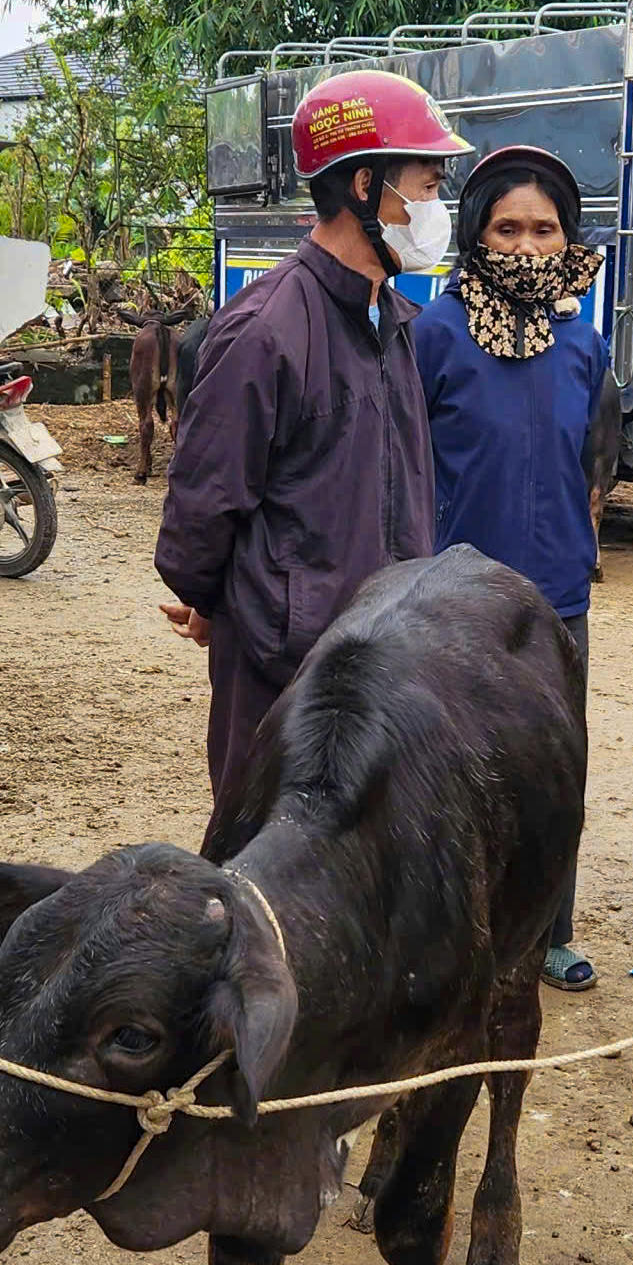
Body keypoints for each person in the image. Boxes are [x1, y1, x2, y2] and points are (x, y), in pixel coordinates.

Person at [155, 69, 471, 806]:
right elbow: (202, 508)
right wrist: (227, 603)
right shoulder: (265, 330)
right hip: (286, 668)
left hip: (384, 658)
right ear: (365, 186)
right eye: (426, 189)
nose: (436, 211)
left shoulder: (393, 321)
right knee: (267, 843)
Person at [413, 144, 618, 991]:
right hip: (452, 600)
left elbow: (593, 461)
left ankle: (546, 934)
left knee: (551, 772)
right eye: (507, 229)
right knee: (448, 771)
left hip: (557, 599)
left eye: (544, 229)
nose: (527, 246)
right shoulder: (434, 333)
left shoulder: (582, 341)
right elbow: (407, 463)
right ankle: (447, 939)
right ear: (476, 233)